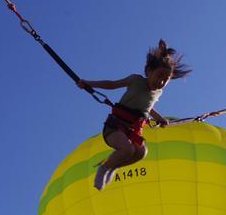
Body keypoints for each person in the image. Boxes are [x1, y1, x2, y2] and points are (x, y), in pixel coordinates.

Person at [78, 40, 191, 190]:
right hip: (116, 126)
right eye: (159, 75)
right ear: (149, 71)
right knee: (128, 150)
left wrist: (159, 119)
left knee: (141, 153)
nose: (162, 81)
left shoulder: (158, 92)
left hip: (133, 129)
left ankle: (113, 167)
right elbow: (112, 84)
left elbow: (148, 108)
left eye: (166, 79)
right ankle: (104, 168)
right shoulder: (136, 80)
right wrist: (89, 84)